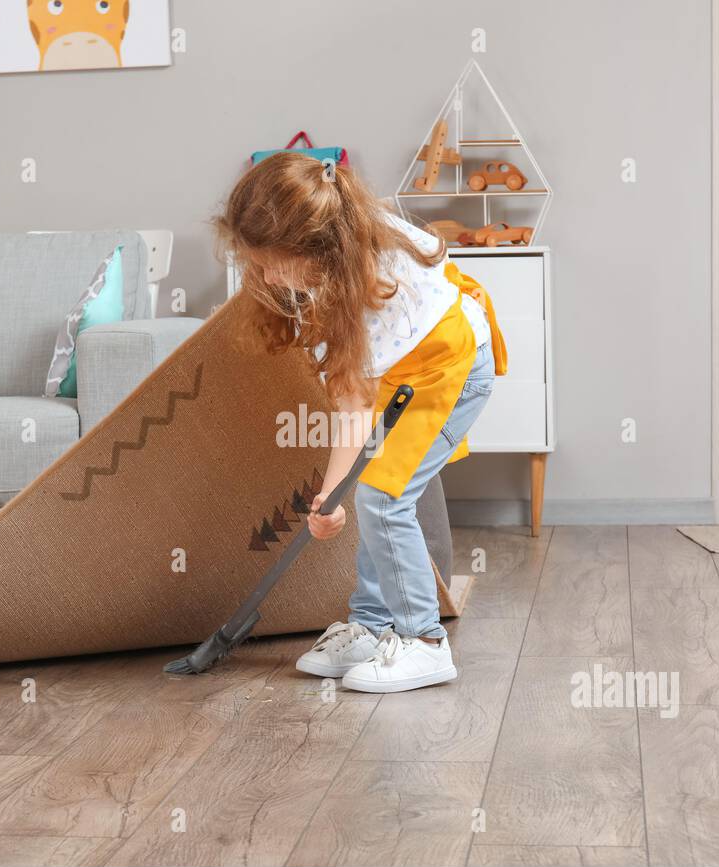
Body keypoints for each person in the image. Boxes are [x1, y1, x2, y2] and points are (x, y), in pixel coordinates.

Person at [214, 152, 507, 693]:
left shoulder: (361, 286)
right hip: (406, 367)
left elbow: (352, 405)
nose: (269, 276)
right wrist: (333, 496)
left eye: (276, 262)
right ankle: (372, 628)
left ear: (316, 247)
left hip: (453, 370)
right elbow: (359, 396)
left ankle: (424, 643)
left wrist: (327, 499)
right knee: (373, 490)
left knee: (380, 496)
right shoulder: (339, 236)